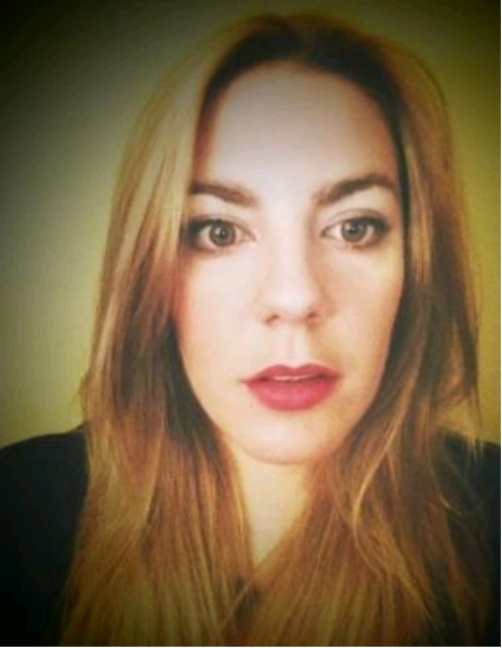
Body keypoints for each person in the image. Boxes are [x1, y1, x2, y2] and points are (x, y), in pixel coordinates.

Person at [0, 11, 499, 647]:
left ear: (418, 263)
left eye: (354, 227)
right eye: (219, 232)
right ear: (148, 270)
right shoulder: (20, 513)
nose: (294, 298)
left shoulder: (490, 524)